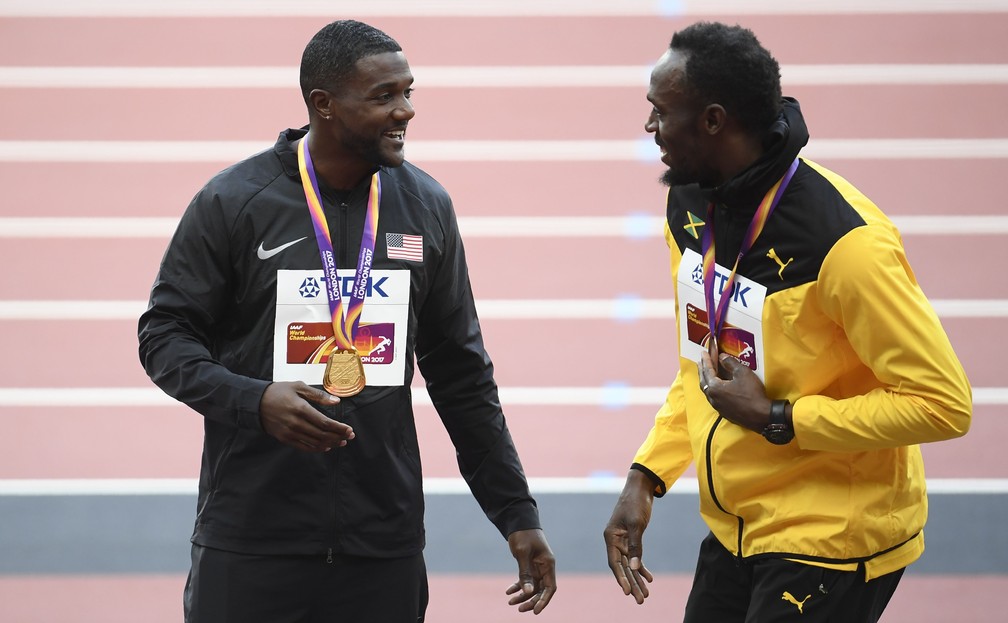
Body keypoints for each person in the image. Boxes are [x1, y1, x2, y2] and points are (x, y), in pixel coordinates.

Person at [138, 19, 556, 622]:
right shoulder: (234, 203)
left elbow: (461, 374)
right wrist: (254, 401)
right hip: (252, 538)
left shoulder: (426, 207)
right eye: (384, 96)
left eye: (409, 92)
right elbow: (164, 336)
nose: (405, 111)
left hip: (381, 545)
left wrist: (515, 514)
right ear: (323, 105)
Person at [603, 21, 971, 623]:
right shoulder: (692, 206)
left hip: (832, 539)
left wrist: (779, 419)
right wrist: (648, 474)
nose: (649, 127)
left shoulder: (846, 244)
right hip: (738, 526)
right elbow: (704, 361)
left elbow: (942, 404)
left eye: (659, 111)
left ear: (714, 120)